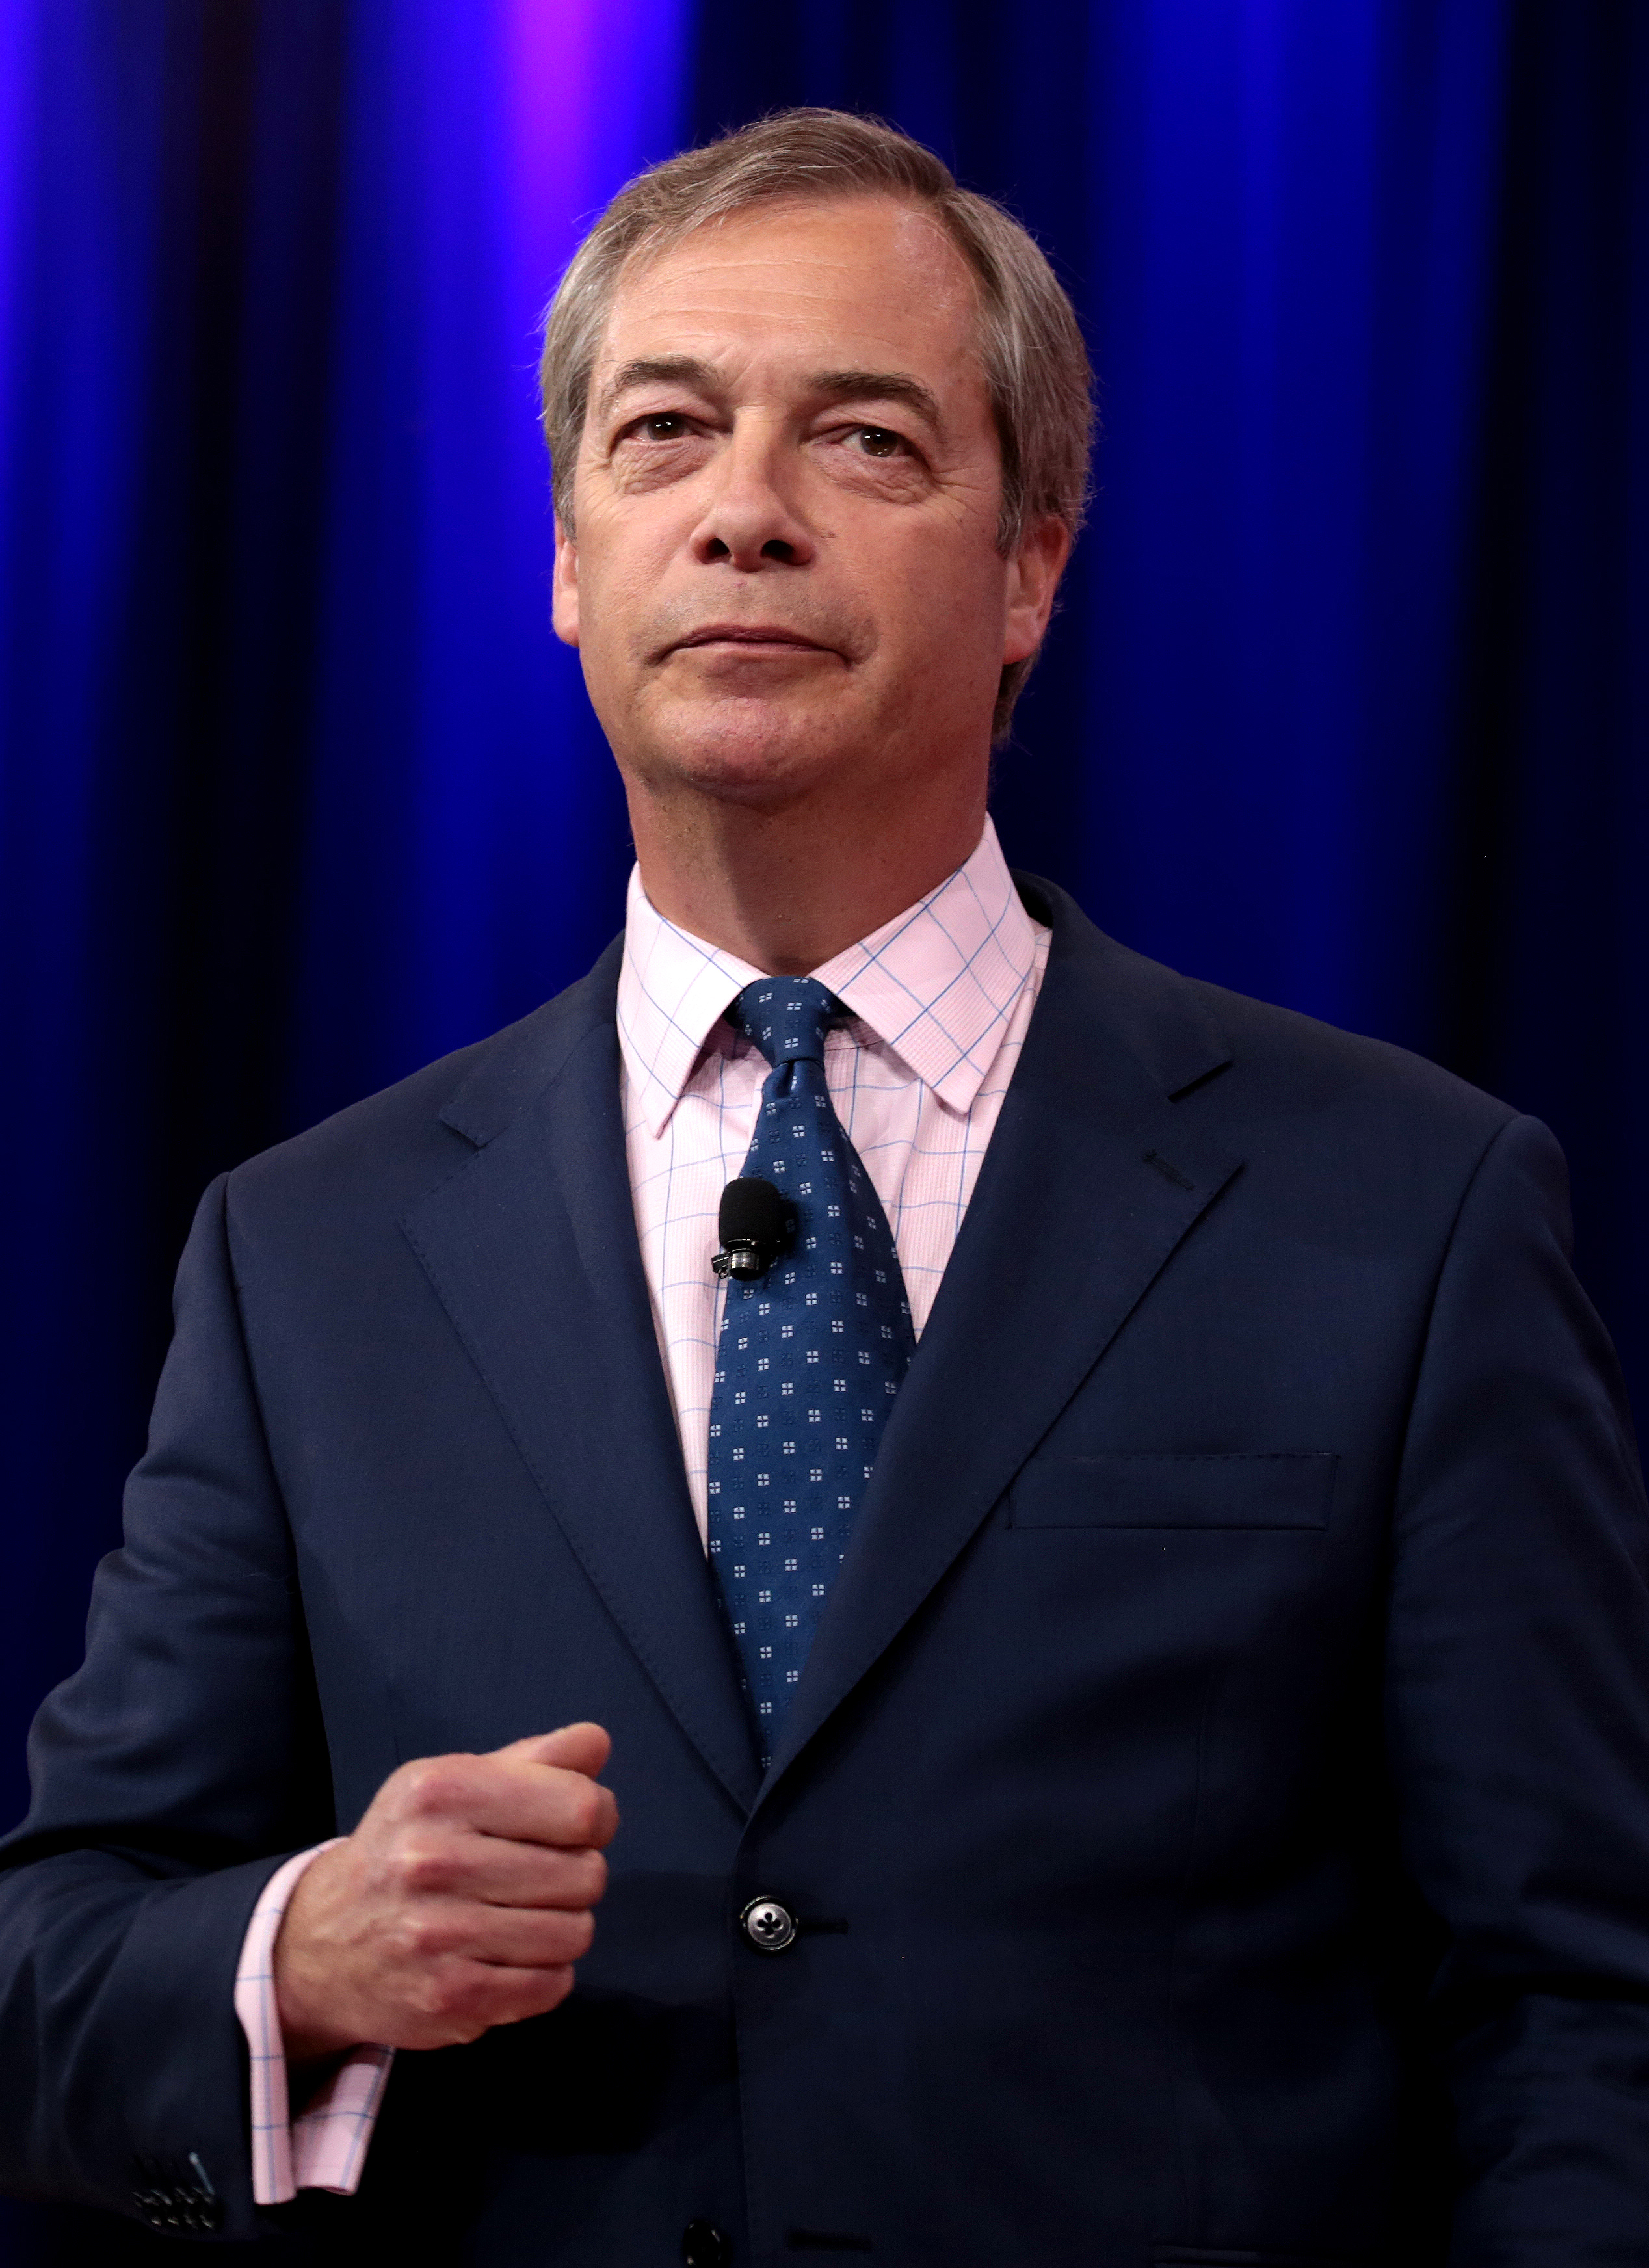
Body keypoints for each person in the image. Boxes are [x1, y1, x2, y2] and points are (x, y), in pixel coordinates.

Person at [3, 107, 1649, 2268]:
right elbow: (53, 1969)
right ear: (571, 560)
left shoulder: (1408, 1213)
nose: (746, 511)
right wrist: (295, 1954)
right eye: (664, 433)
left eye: (864, 441)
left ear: (1031, 568)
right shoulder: (307, 1253)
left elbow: (1580, 2012)